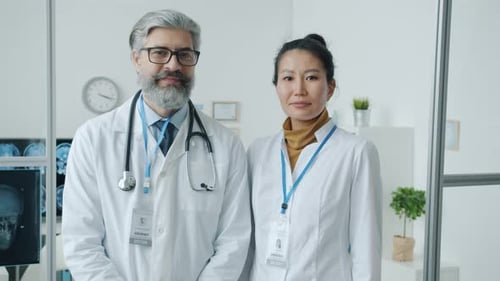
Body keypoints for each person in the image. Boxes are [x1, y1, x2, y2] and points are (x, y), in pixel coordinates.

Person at [62, 9, 251, 281]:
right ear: (136, 59)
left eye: (184, 55)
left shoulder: (226, 145)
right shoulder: (93, 138)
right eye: (159, 53)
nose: (173, 65)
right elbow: (82, 242)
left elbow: (233, 240)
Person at [245, 34, 382, 280]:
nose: (299, 90)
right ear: (277, 86)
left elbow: (366, 246)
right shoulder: (258, 151)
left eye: (311, 77)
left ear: (330, 88)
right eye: (288, 78)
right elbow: (248, 242)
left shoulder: (356, 152)